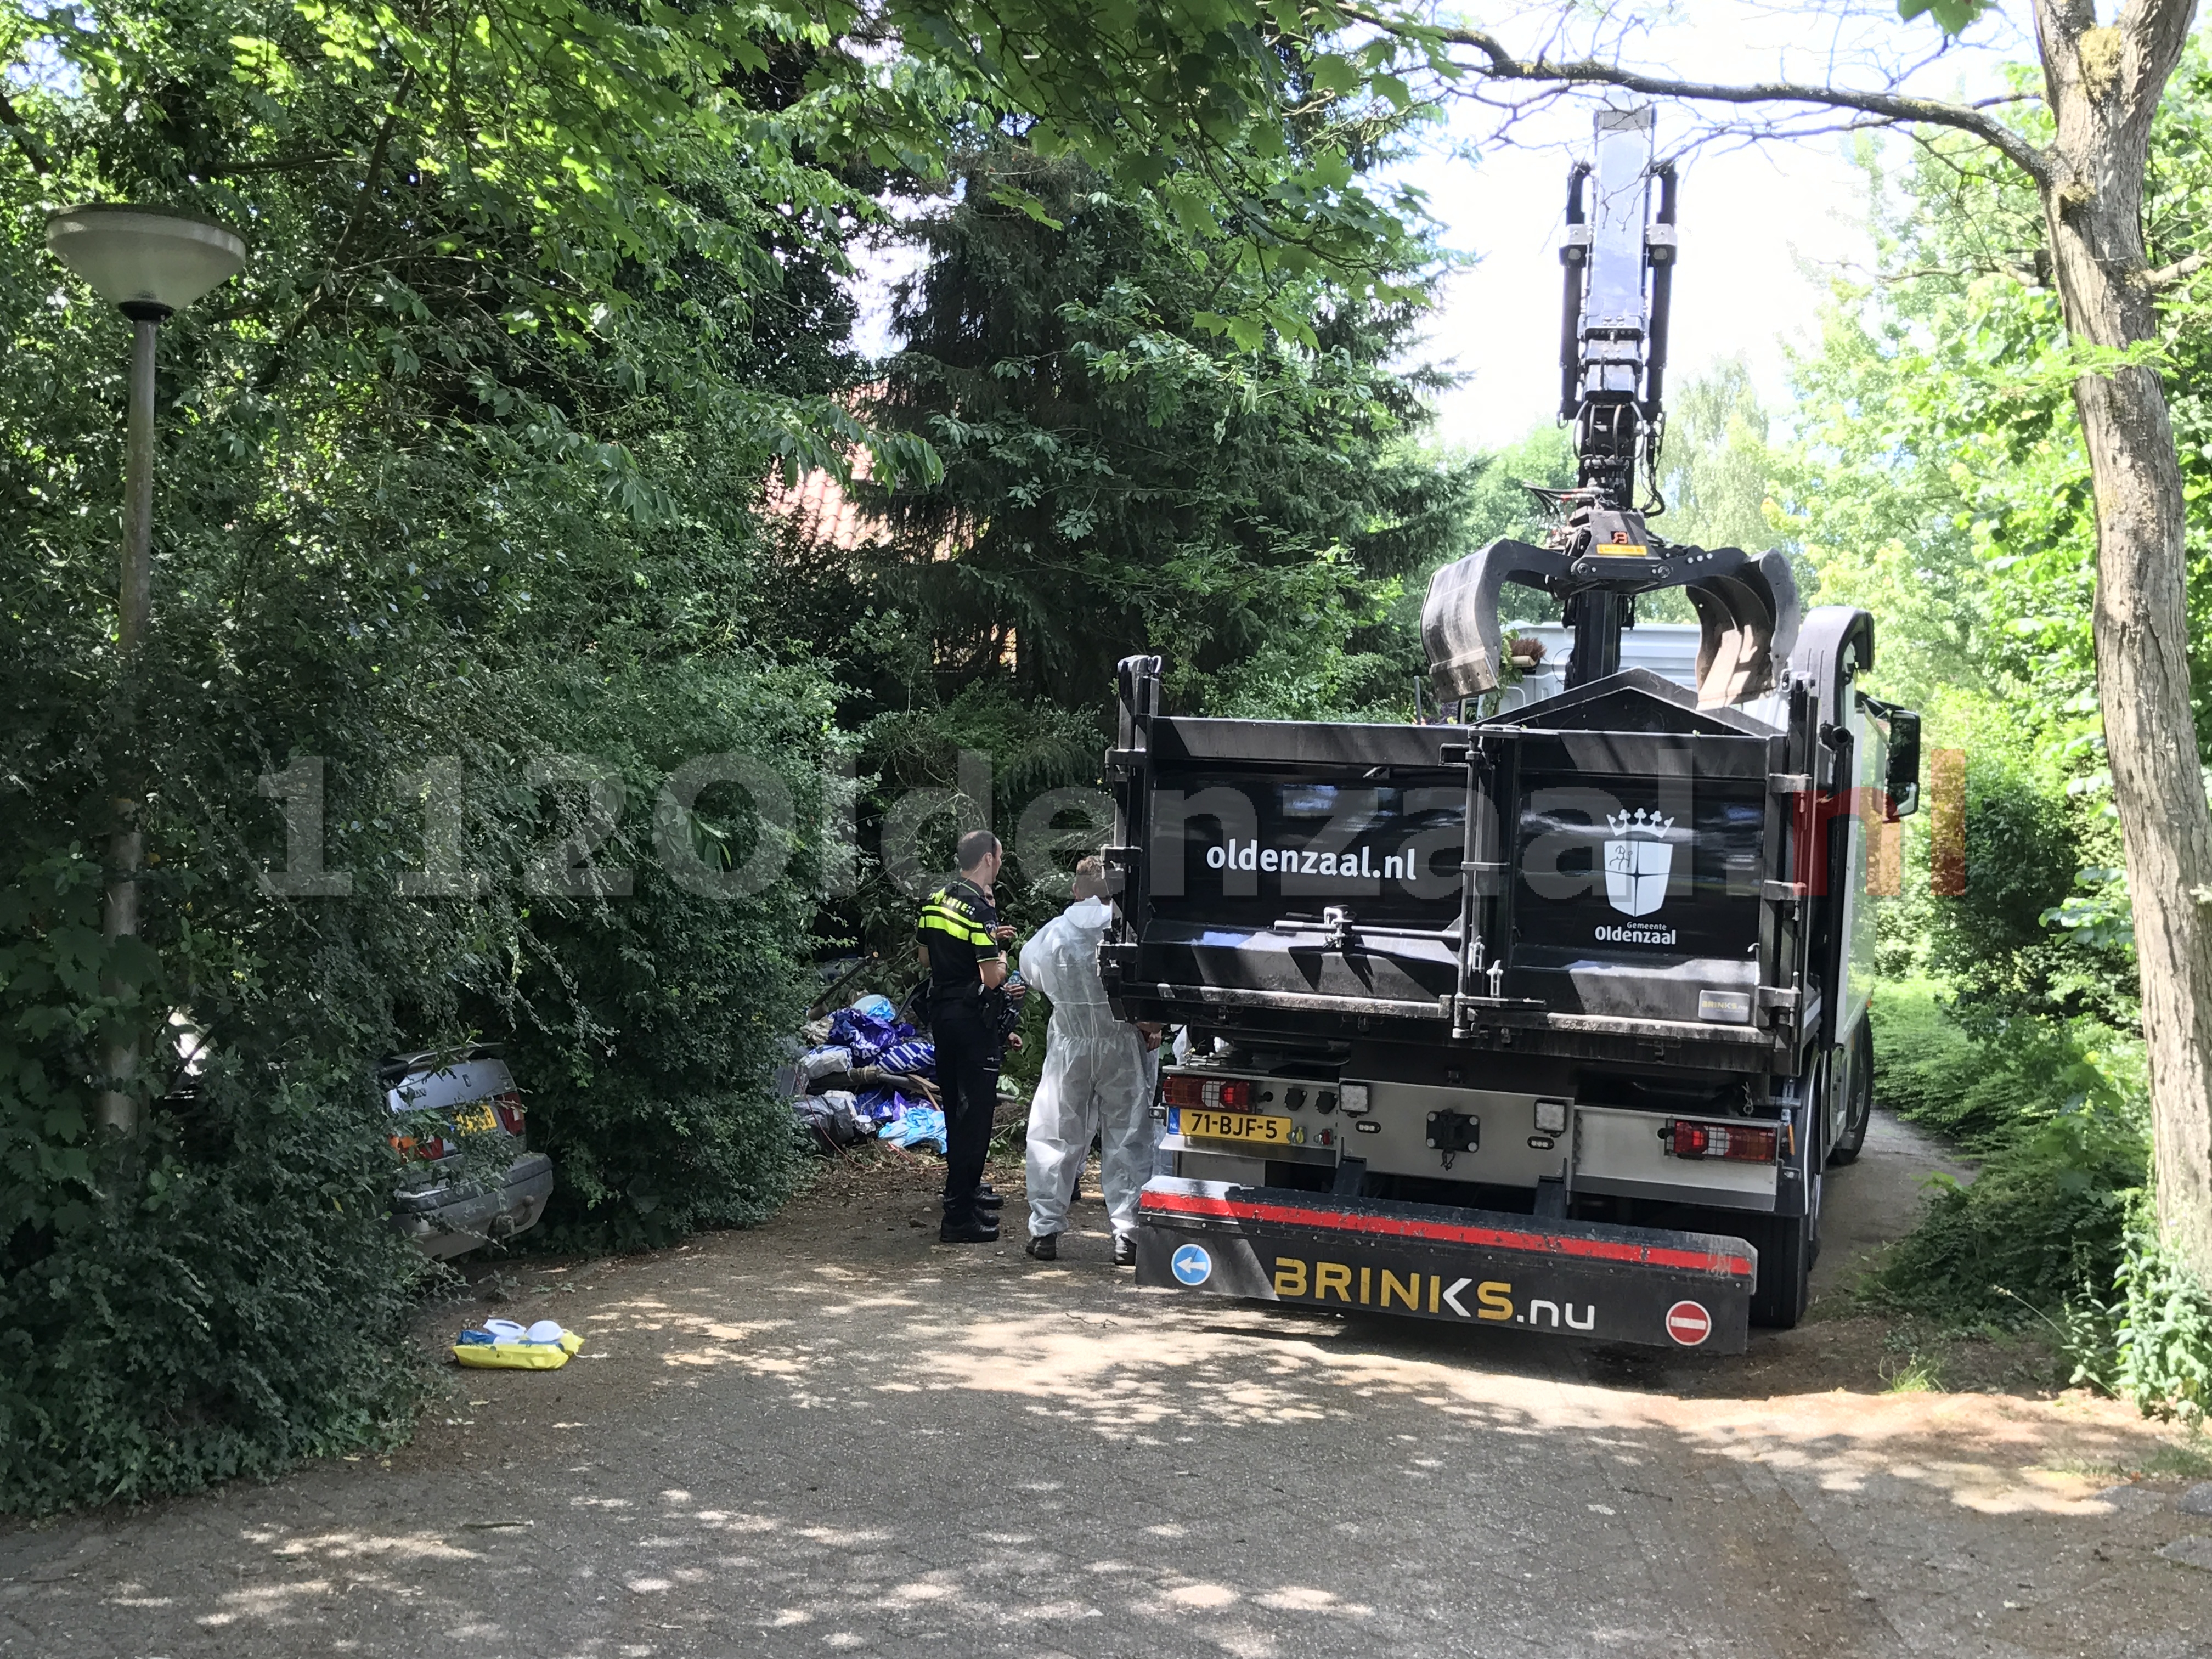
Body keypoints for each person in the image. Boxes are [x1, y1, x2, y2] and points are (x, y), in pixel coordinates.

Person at [1019, 856, 1161, 1266]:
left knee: (1055, 1135)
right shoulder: (1127, 933)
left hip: (1070, 1042)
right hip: (1121, 1042)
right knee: (1128, 1137)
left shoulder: (1051, 935)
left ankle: (1045, 1230)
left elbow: (1031, 974)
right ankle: (1127, 1237)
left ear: (1075, 890)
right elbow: (1148, 1000)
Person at [917, 830, 1021, 1243]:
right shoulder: (979, 908)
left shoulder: (934, 899)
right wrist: (1002, 952)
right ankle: (959, 1216)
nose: (1000, 864)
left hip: (942, 1013)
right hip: (972, 1018)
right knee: (976, 1115)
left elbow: (925, 956)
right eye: (999, 858)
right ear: (988, 859)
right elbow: (992, 977)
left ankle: (962, 1194)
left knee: (954, 1110)